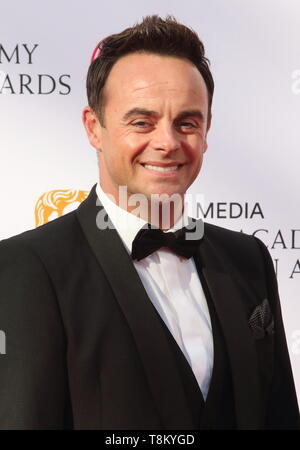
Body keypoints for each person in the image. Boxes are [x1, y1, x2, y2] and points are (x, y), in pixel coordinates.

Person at [0, 15, 299, 430]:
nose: (167, 142)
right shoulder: (26, 267)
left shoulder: (248, 260)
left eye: (187, 122)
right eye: (141, 121)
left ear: (207, 129)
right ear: (94, 127)